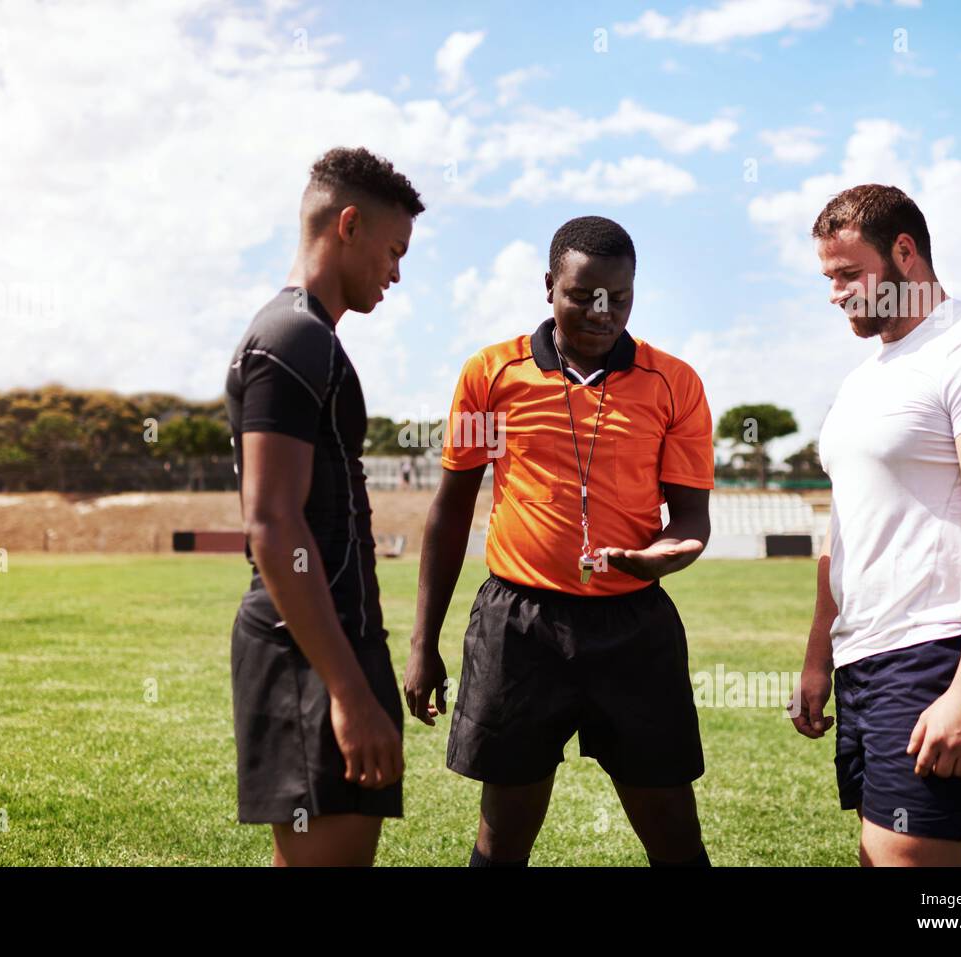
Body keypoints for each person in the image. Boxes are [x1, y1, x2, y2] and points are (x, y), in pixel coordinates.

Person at [404, 216, 715, 867]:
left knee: (677, 840)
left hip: (635, 625)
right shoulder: (493, 374)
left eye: (620, 298)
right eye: (583, 295)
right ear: (549, 286)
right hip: (519, 625)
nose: (603, 312)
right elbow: (452, 508)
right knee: (502, 839)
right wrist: (421, 643)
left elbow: (691, 520)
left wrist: (658, 556)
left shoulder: (673, 382)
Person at [793, 184, 961, 866]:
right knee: (883, 854)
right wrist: (820, 654)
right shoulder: (863, 382)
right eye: (829, 277)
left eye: (849, 273)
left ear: (905, 253)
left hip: (941, 646)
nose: (836, 292)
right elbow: (844, 530)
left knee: (908, 858)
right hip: (867, 657)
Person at [223, 146, 424, 866]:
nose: (396, 271)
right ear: (348, 224)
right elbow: (273, 524)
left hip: (330, 642)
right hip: (308, 652)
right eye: (394, 250)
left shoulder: (312, 336)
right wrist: (347, 691)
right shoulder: (291, 338)